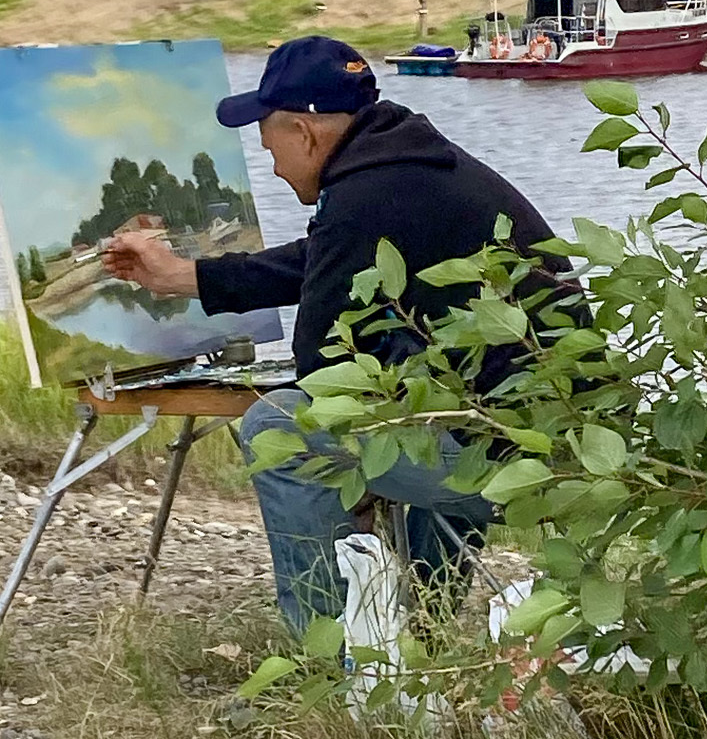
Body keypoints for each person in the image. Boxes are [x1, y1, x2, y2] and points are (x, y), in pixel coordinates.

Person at [100, 35, 574, 635]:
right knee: (414, 401)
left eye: (270, 144)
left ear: (304, 132)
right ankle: (424, 626)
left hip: (522, 465)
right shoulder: (409, 163)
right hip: (557, 438)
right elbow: (321, 258)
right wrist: (187, 277)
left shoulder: (364, 195)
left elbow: (323, 368)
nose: (271, 163)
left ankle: (331, 653)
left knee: (281, 427)